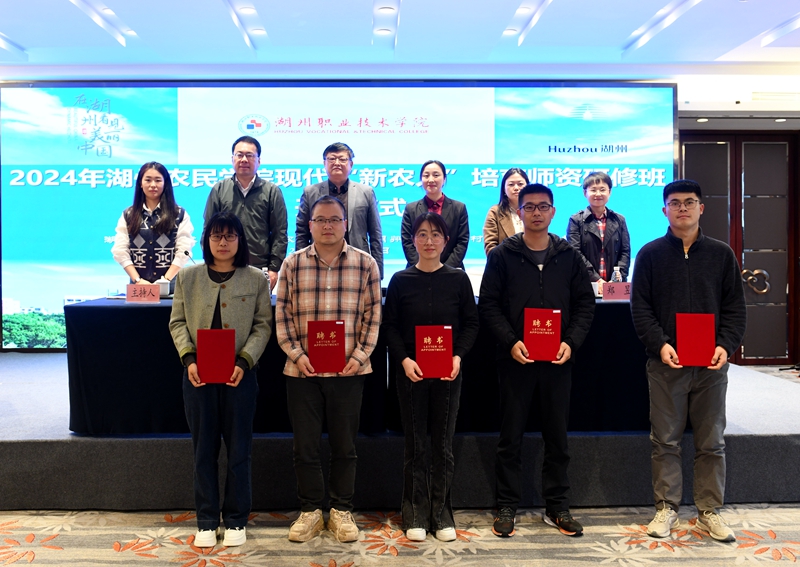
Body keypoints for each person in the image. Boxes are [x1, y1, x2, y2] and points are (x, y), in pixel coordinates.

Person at [631, 179, 746, 543]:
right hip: (667, 364)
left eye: (690, 202)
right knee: (665, 441)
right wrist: (661, 344)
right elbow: (640, 309)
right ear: (664, 210)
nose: (683, 208)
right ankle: (667, 507)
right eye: (676, 203)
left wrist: (725, 345)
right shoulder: (650, 254)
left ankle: (709, 511)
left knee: (712, 442)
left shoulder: (721, 254)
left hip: (711, 366)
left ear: (701, 208)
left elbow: (735, 309)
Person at [479, 183, 595, 539]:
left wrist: (571, 343)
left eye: (543, 207)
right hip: (516, 359)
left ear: (553, 212)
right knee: (510, 437)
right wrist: (511, 341)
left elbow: (585, 305)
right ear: (520, 212)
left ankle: (557, 506)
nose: (536, 213)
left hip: (558, 360)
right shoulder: (503, 255)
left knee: (557, 437)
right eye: (529, 207)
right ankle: (506, 505)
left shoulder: (568, 255)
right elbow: (489, 305)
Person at [276, 195, 382, 544]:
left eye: (334, 220)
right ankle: (310, 511)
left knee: (344, 446)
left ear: (345, 224)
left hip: (349, 371)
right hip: (302, 372)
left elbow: (373, 316)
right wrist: (296, 354)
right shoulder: (292, 264)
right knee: (304, 447)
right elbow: (283, 315)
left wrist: (360, 356)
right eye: (320, 220)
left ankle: (340, 510)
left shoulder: (366, 264)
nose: (327, 226)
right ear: (310, 226)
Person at [168, 212, 272, 549]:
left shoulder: (255, 278)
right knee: (204, 451)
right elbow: (177, 322)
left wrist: (245, 360)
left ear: (240, 241)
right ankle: (207, 520)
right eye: (216, 236)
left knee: (240, 450)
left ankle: (237, 518)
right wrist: (188, 358)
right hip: (198, 377)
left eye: (230, 236)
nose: (223, 242)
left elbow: (262, 325)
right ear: (206, 240)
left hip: (239, 377)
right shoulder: (188, 277)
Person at [382, 212, 479, 543]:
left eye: (436, 235)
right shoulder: (400, 280)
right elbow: (390, 327)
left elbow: (471, 323)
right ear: (413, 240)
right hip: (411, 373)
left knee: (442, 445)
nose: (428, 241)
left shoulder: (458, 279)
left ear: (446, 241)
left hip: (448, 373)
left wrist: (458, 356)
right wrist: (404, 360)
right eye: (422, 234)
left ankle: (441, 513)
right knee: (416, 445)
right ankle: (415, 513)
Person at [203, 135, 288, 290]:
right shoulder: (219, 189)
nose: (244, 159)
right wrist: (211, 262)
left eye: (249, 155)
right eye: (239, 155)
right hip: (224, 266)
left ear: (259, 161)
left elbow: (280, 232)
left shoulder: (271, 191)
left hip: (259, 268)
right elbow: (208, 229)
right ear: (232, 159)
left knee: (258, 306)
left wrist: (274, 268)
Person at [295, 142, 384, 278]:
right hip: (319, 262)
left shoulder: (366, 192)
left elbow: (375, 233)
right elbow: (302, 232)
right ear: (324, 163)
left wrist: (378, 271)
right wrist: (300, 264)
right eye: (331, 159)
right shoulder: (310, 192)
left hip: (357, 263)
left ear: (351, 164)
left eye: (342, 159)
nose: (337, 163)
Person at [112, 161, 195, 287]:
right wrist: (138, 280)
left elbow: (184, 250)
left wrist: (165, 280)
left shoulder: (179, 214)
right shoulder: (128, 214)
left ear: (165, 183)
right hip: (138, 288)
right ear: (140, 183)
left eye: (158, 180)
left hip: (170, 287)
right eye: (148, 180)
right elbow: (120, 250)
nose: (153, 185)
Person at [401, 160, 469, 269]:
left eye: (436, 175)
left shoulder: (459, 208)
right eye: (426, 175)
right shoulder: (411, 209)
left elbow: (462, 242)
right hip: (417, 271)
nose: (431, 179)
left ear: (444, 179)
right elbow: (407, 242)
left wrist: (443, 270)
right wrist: (422, 268)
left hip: (451, 271)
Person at [566, 171, 631, 284]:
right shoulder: (576, 220)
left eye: (602, 189)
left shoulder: (619, 220)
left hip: (614, 284)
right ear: (585, 193)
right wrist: (596, 280)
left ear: (609, 192)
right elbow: (575, 253)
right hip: (585, 283)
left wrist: (616, 279)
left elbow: (625, 252)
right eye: (593, 190)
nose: (598, 194)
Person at [483, 168, 530, 256]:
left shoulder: (535, 211)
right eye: (511, 184)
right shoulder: (495, 212)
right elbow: (490, 247)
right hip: (503, 263)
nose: (516, 188)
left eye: (520, 184)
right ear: (504, 189)